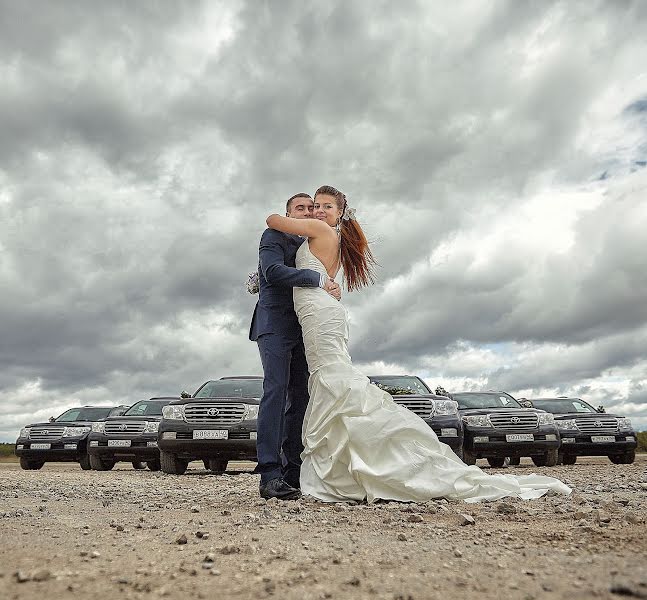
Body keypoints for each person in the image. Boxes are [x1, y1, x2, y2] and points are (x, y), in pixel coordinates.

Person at [265, 185, 571, 503]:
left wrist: (288, 215)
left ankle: (356, 464)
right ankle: (351, 463)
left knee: (332, 380)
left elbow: (273, 219)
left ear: (340, 212)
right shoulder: (330, 236)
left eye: (326, 206)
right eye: (315, 205)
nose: (318, 211)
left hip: (320, 314)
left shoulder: (317, 229)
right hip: (321, 313)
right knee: (331, 381)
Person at [250, 192, 341, 500]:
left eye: (310, 208)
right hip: (274, 323)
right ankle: (269, 474)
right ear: (288, 212)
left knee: (301, 398)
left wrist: (330, 286)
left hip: (305, 326)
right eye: (299, 208)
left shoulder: (308, 243)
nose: (307, 212)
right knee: (276, 391)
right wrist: (315, 278)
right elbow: (271, 273)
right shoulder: (273, 235)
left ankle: (294, 473)